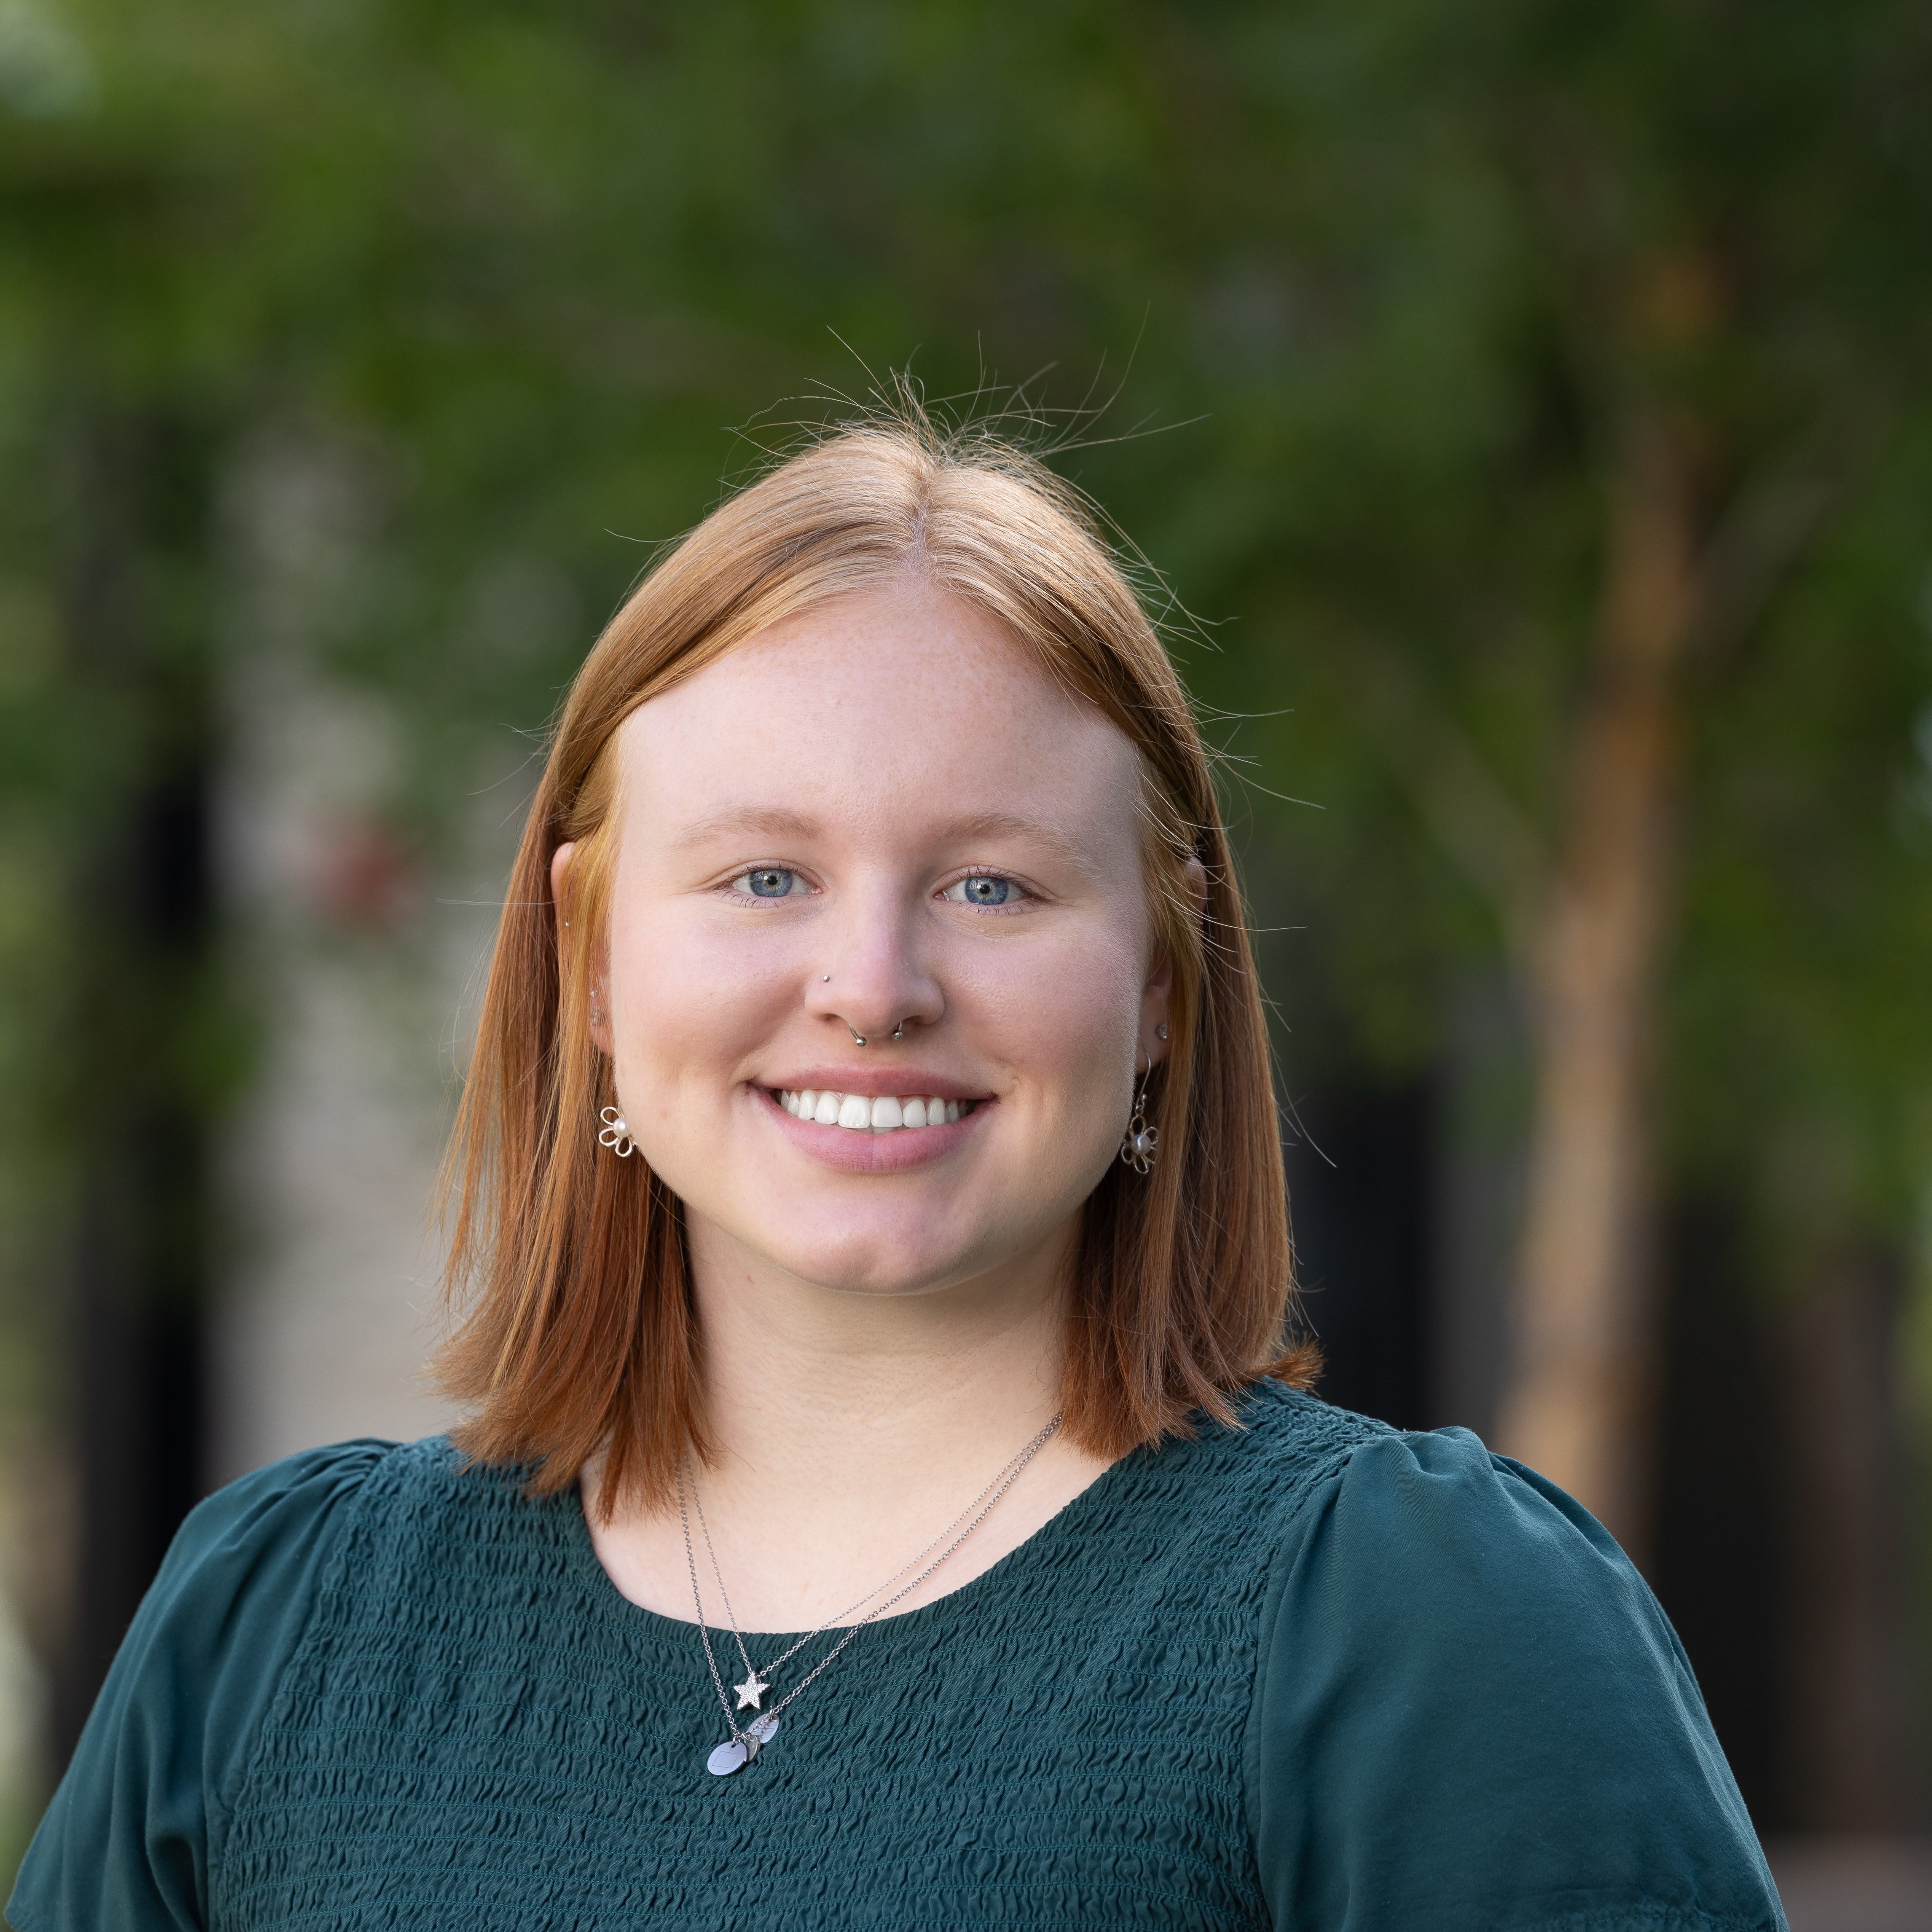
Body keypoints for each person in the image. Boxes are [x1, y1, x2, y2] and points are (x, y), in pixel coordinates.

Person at [10, 415, 1785, 1932]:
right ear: (595, 962)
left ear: (1163, 984)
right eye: (764, 877)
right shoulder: (278, 1628)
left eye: (992, 885)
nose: (872, 984)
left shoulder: (1417, 1629)